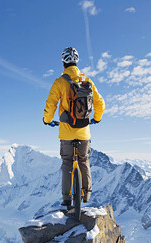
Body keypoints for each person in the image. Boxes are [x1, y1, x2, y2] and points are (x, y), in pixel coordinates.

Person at [43, 47, 105, 208]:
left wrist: (47, 120)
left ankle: (66, 199)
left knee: (67, 163)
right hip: (84, 131)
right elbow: (100, 103)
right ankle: (86, 194)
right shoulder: (87, 81)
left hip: (66, 132)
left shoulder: (59, 82)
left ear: (63, 63)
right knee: (84, 161)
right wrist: (96, 119)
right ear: (76, 62)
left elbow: (51, 104)